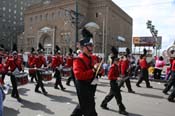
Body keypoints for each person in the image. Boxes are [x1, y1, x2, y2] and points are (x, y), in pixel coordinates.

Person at [71, 27, 99, 116]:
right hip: (83, 87)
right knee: (89, 110)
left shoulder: (93, 58)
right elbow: (79, 75)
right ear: (84, 47)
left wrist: (99, 70)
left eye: (92, 45)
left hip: (91, 87)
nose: (92, 48)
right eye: (90, 46)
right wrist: (93, 70)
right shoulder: (78, 59)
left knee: (83, 107)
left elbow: (96, 71)